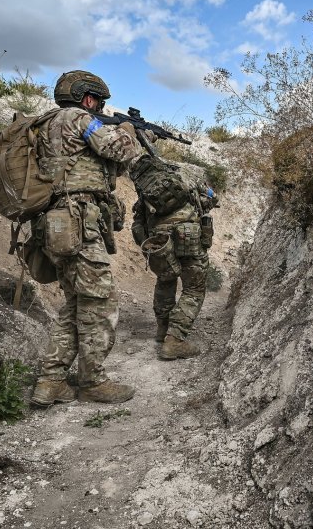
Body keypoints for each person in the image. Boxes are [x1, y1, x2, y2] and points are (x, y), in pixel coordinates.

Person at [30, 70, 142, 406]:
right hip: (79, 222)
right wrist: (127, 130)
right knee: (101, 302)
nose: (100, 107)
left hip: (53, 225)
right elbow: (121, 151)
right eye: (99, 102)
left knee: (76, 304)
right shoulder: (79, 117)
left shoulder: (45, 123)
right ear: (87, 98)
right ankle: (92, 381)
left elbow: (95, 165)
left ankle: (50, 382)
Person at [130, 156, 217, 360]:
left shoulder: (145, 192)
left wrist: (147, 245)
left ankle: (163, 329)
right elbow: (211, 200)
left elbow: (138, 223)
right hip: (190, 237)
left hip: (159, 239)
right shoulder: (187, 177)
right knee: (194, 289)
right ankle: (175, 339)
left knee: (165, 280)